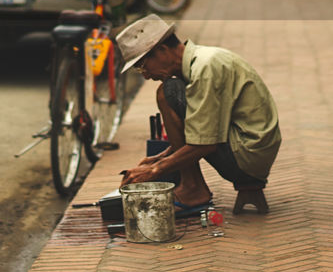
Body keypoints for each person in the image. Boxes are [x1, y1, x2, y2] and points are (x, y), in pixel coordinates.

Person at [117, 13, 281, 216]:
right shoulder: (201, 60)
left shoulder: (205, 68)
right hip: (250, 150)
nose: (146, 75)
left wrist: (155, 170)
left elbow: (205, 142)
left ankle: (193, 189)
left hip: (248, 156)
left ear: (161, 50)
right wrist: (159, 158)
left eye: (142, 66)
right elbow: (204, 127)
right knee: (170, 90)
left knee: (167, 92)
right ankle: (191, 186)